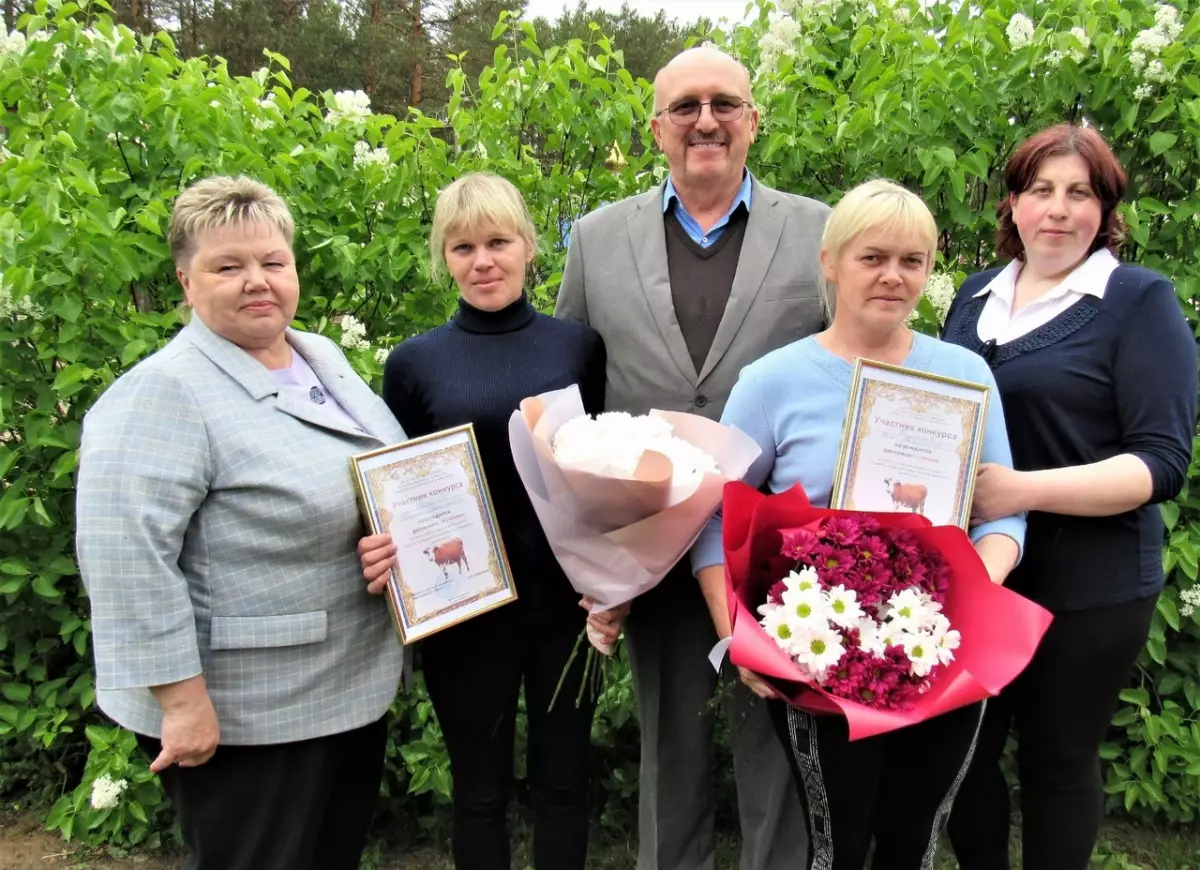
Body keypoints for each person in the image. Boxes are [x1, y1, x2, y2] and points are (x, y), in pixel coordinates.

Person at [691, 178, 1027, 869]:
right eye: (873, 258)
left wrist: (963, 593)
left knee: (913, 842)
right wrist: (741, 639)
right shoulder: (771, 380)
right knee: (836, 845)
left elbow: (1005, 512)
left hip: (943, 652)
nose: (893, 277)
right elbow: (713, 520)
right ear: (830, 261)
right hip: (823, 655)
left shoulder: (964, 375)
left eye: (913, 261)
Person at [75, 176, 407, 870]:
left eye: (273, 262)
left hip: (342, 689)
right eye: (229, 266)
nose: (257, 281)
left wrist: (383, 540)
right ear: (185, 281)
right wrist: (181, 701)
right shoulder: (167, 391)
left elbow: (357, 478)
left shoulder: (320, 356)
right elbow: (124, 554)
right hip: (246, 712)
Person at [555, 44, 826, 870]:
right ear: (656, 129)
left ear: (753, 121)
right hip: (651, 536)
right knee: (667, 740)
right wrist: (591, 538)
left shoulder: (820, 230)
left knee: (776, 731)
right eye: (685, 106)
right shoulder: (597, 239)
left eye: (724, 103)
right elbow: (575, 380)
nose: (705, 120)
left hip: (776, 538)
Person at [941, 124, 1198, 870]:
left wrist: (1020, 490)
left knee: (1056, 762)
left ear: (1105, 209)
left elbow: (1161, 464)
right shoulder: (973, 297)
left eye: (1079, 193)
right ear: (1013, 206)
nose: (1058, 210)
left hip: (1090, 581)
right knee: (966, 757)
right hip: (981, 570)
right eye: (1041, 191)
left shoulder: (1137, 301)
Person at [356, 172, 609, 870]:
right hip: (464, 610)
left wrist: (612, 580)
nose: (483, 260)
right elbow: (397, 489)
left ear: (529, 247)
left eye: (498, 241)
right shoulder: (414, 363)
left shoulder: (578, 348)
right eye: (463, 246)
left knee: (563, 785)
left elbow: (600, 470)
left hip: (565, 606)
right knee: (478, 792)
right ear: (445, 258)